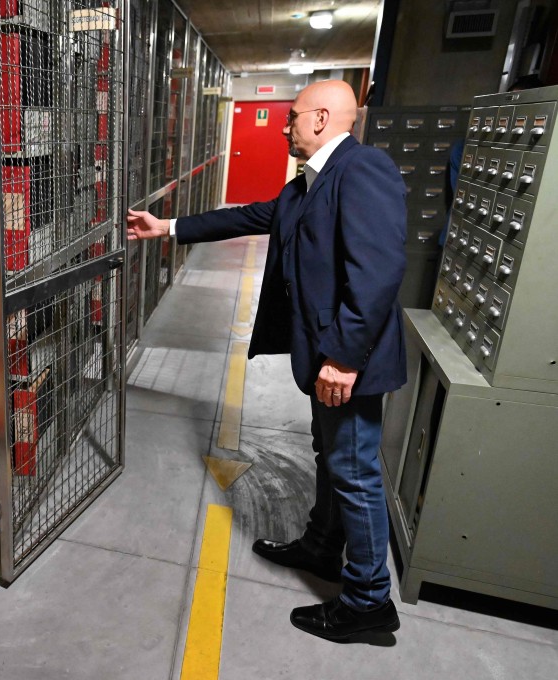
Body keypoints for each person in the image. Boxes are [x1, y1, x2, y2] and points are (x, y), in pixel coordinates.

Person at [127, 80, 407, 641]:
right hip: (325, 356)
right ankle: (324, 548)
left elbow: (377, 276)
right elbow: (251, 216)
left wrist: (345, 360)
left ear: (323, 119)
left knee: (354, 473)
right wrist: (169, 228)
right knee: (331, 456)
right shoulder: (308, 184)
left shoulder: (362, 170)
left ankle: (370, 602)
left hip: (348, 362)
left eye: (294, 117)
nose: (285, 126)